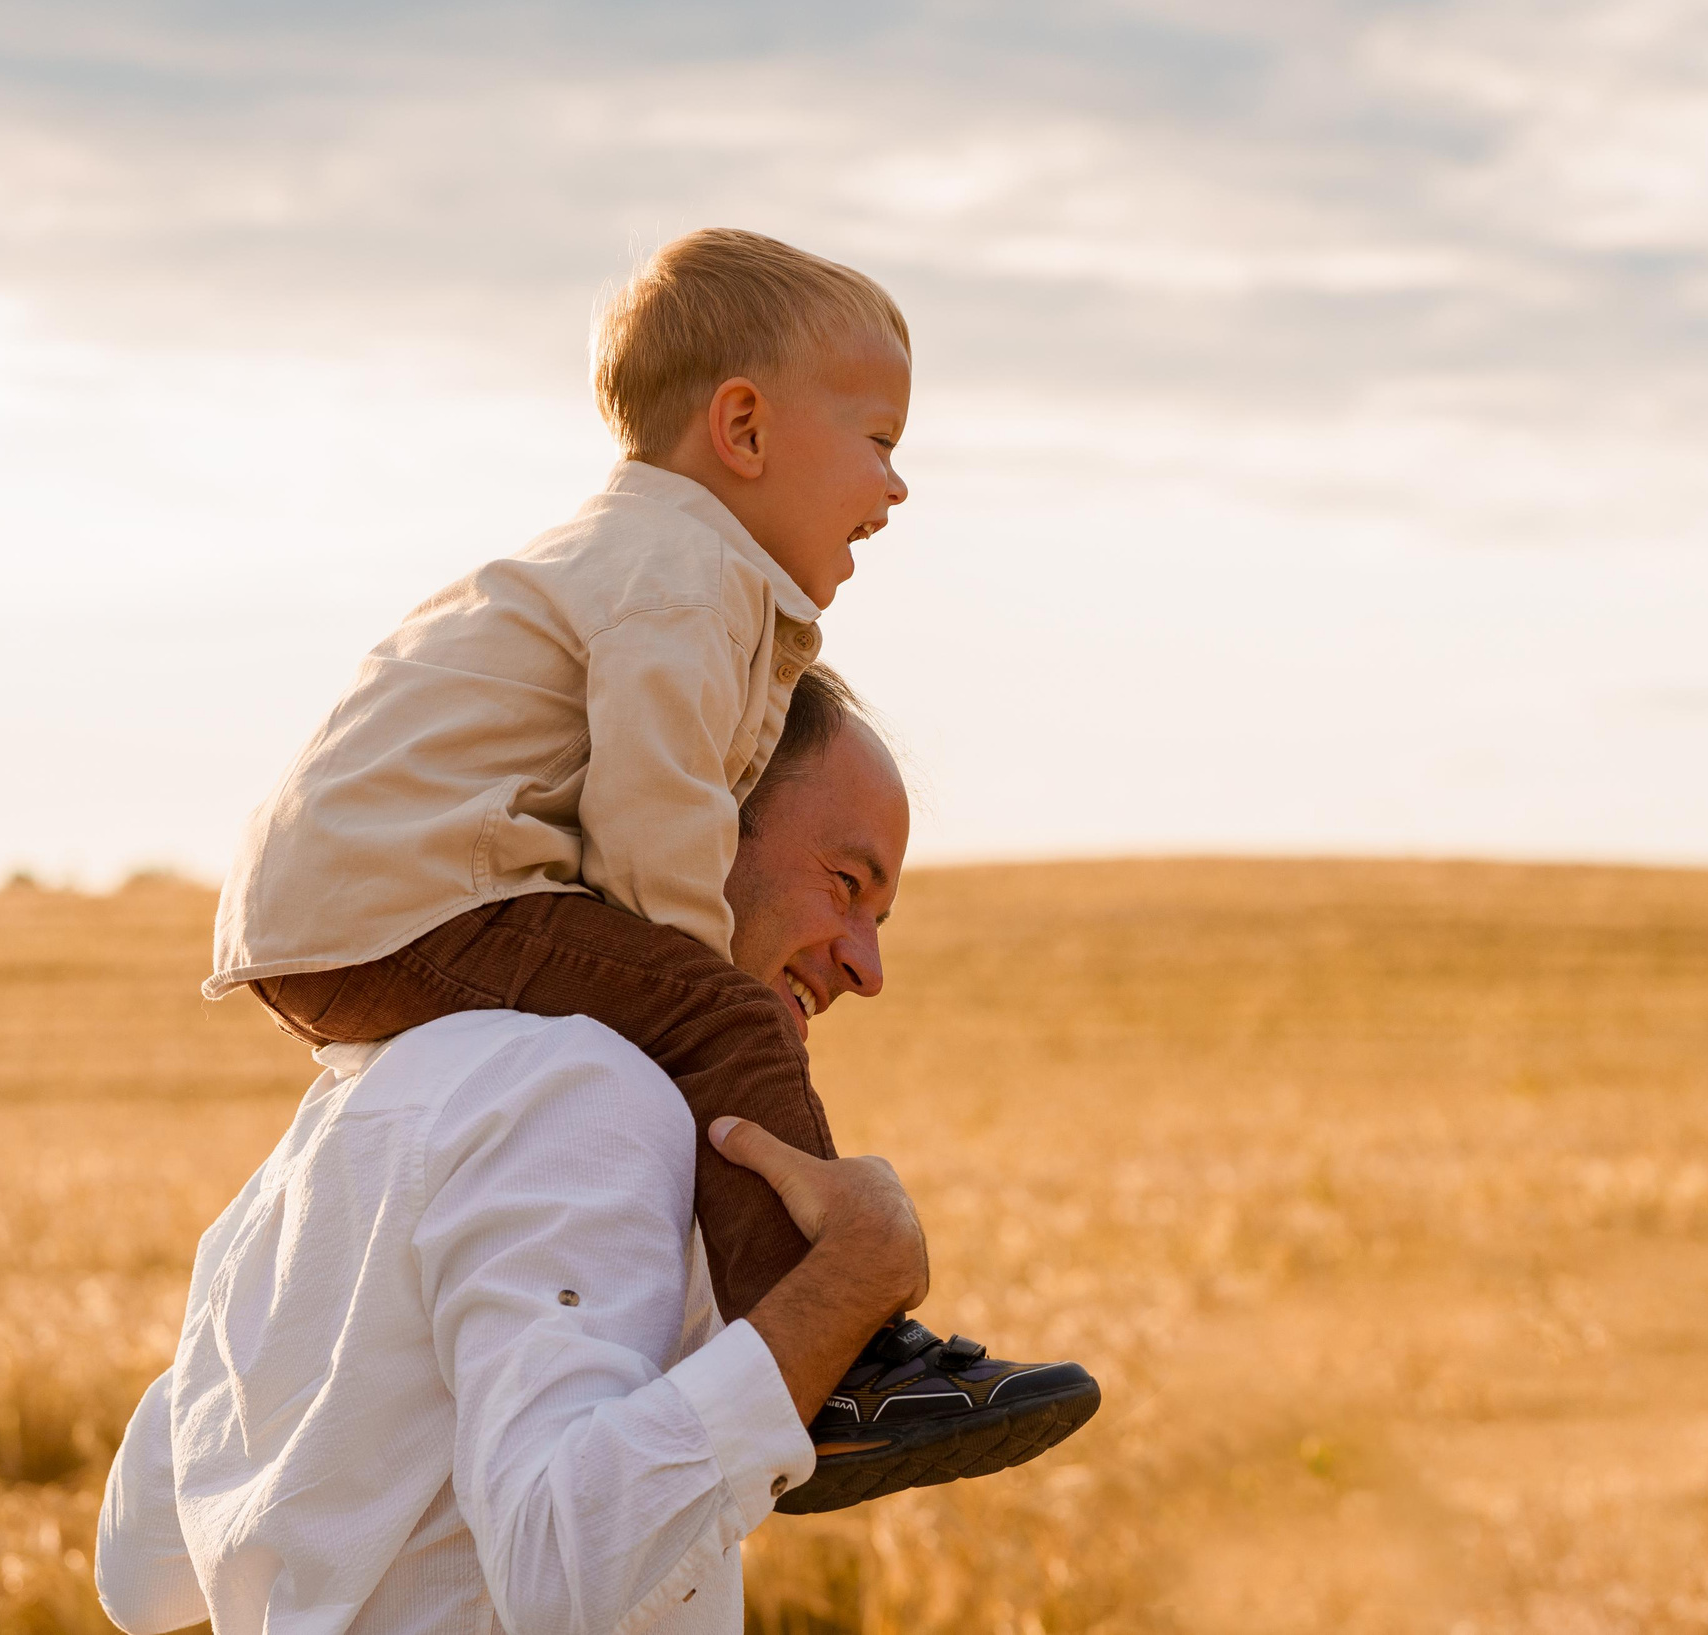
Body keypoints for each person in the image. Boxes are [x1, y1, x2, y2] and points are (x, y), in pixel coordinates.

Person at [202, 229, 1091, 1504]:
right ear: (742, 427)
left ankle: (806, 1351)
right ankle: (831, 1366)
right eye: (881, 441)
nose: (897, 489)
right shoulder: (686, 572)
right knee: (711, 1012)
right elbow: (656, 806)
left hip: (343, 909)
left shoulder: (635, 557)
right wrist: (700, 1004)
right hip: (411, 899)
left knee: (692, 1017)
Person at [97, 686, 1098, 1634]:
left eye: (877, 924)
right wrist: (849, 1281)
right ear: (689, 819)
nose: (866, 968)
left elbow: (140, 1569)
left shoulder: (338, 1123)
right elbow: (560, 1570)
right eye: (845, 887)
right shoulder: (585, 1090)